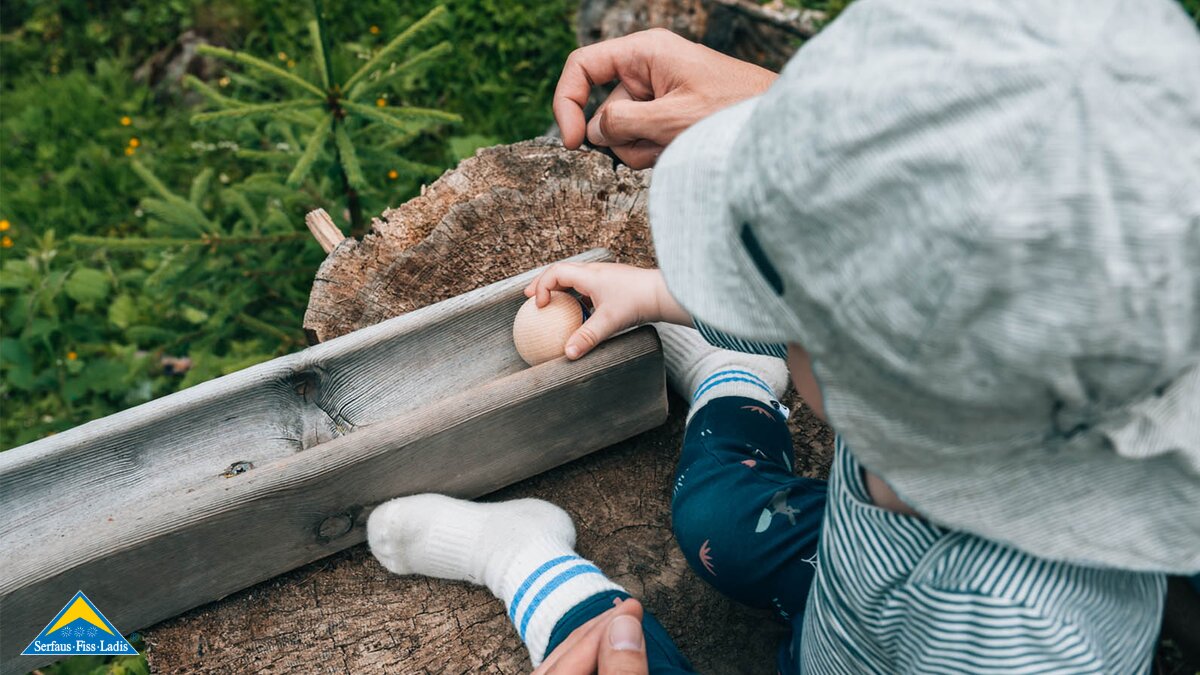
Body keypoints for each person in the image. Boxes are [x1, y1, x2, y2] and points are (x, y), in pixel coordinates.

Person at [368, 0, 1200, 672]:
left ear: (873, 387)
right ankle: (733, 378)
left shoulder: (1014, 637)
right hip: (856, 598)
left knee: (619, 644)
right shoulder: (1001, 397)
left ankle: (530, 560)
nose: (779, 318)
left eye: (783, 320)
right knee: (718, 521)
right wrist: (662, 293)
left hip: (887, 640)